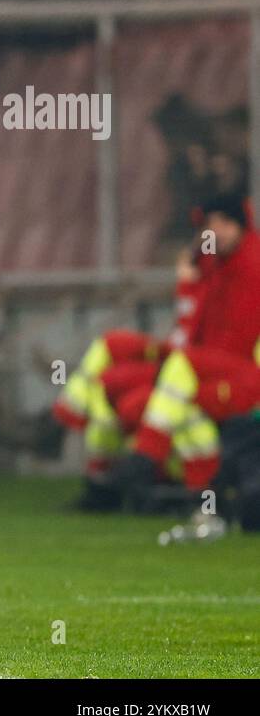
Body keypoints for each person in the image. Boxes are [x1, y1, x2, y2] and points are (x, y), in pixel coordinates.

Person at [55, 193, 260, 507]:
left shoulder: (250, 264)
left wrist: (191, 288)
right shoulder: (212, 262)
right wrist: (190, 283)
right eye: (209, 223)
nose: (214, 230)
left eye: (223, 222)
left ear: (241, 225)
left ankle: (151, 461)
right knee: (109, 356)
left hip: (237, 374)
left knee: (168, 391)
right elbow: (188, 331)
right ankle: (75, 438)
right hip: (195, 362)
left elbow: (230, 346)